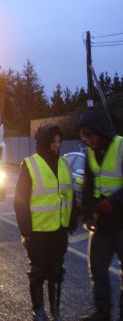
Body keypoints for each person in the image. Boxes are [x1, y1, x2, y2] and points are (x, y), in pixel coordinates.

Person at [14, 124, 76, 321]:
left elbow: (68, 195)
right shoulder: (30, 165)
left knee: (57, 271)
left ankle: (55, 311)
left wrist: (72, 219)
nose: (57, 145)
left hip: (59, 229)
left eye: (59, 141)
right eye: (53, 142)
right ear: (44, 142)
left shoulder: (64, 165)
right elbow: (20, 200)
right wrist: (26, 230)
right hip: (37, 230)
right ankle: (38, 310)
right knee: (38, 271)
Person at [78, 111, 123, 321]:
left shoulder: (121, 146)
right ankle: (102, 312)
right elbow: (87, 187)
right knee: (97, 269)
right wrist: (87, 214)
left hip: (121, 222)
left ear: (102, 132)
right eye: (85, 137)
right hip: (102, 224)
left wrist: (112, 202)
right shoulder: (89, 152)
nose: (89, 140)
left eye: (91, 135)